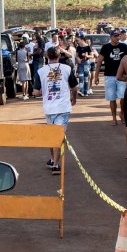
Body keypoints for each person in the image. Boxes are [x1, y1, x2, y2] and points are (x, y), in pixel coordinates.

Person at [33, 47, 78, 175]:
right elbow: (75, 87)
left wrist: (42, 91)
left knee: (52, 136)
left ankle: (53, 159)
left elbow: (36, 92)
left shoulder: (41, 71)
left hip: (49, 108)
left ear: (47, 56)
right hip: (63, 107)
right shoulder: (67, 69)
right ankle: (55, 165)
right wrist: (73, 98)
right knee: (58, 137)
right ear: (59, 56)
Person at [94, 30, 127, 126]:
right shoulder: (106, 47)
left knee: (123, 98)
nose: (118, 37)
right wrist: (96, 76)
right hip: (109, 76)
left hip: (122, 76)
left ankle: (122, 113)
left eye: (119, 35)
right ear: (111, 37)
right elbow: (99, 62)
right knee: (112, 98)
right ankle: (114, 118)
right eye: (115, 35)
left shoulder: (124, 46)